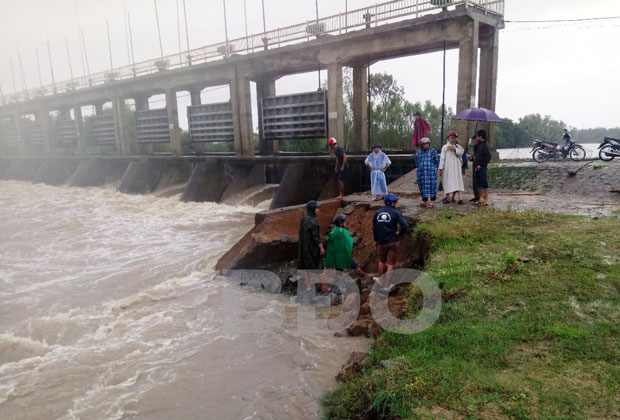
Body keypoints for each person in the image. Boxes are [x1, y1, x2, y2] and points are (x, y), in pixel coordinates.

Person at [373, 194, 408, 289]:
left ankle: (381, 280)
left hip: (381, 241)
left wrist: (376, 240)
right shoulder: (396, 213)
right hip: (393, 241)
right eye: (396, 202)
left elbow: (375, 228)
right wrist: (399, 233)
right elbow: (405, 225)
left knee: (381, 260)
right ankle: (387, 285)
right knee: (391, 263)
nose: (397, 204)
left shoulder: (377, 212)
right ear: (392, 203)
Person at [296, 200, 325, 291]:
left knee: (305, 267)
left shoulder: (304, 219)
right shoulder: (313, 221)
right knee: (319, 266)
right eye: (317, 208)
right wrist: (321, 247)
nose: (318, 210)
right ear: (312, 209)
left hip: (304, 247)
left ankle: (308, 286)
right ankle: (324, 286)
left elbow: (300, 233)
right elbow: (316, 236)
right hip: (312, 248)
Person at [439, 131, 465, 205]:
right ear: (449, 139)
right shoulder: (444, 147)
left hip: (456, 168)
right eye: (452, 138)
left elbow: (461, 153)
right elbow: (442, 158)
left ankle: (460, 198)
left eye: (455, 138)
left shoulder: (458, 147)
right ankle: (448, 197)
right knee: (447, 181)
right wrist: (441, 168)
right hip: (448, 168)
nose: (454, 139)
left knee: (459, 181)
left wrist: (454, 149)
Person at [415, 137, 440, 208]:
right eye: (424, 144)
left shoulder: (433, 151)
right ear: (422, 145)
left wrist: (434, 169)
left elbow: (437, 160)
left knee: (432, 186)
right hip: (422, 173)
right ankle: (425, 201)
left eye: (427, 144)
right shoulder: (418, 152)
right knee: (422, 186)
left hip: (431, 173)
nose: (426, 145)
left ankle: (432, 201)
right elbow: (417, 162)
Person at [473, 130, 492, 207]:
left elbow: (488, 157)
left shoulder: (485, 145)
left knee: (484, 183)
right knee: (479, 182)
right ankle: (481, 198)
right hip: (477, 166)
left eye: (477, 136)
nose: (476, 137)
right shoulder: (479, 144)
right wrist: (474, 145)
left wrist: (481, 164)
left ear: (480, 137)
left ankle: (486, 200)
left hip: (482, 167)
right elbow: (477, 154)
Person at [468, 134, 481, 203]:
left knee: (477, 182)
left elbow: (479, 157)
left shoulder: (480, 147)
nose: (473, 142)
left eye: (474, 141)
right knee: (474, 182)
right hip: (474, 165)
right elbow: (475, 156)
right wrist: (472, 158)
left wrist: (474, 158)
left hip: (478, 166)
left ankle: (479, 197)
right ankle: (476, 196)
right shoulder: (475, 147)